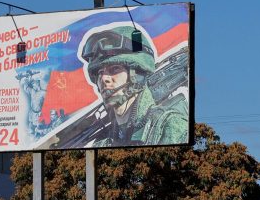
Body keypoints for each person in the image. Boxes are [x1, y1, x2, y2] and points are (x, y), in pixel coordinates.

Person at [54, 25, 188, 149]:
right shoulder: (103, 143)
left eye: (115, 69)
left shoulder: (170, 126)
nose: (104, 79)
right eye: (100, 72)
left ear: (137, 74)